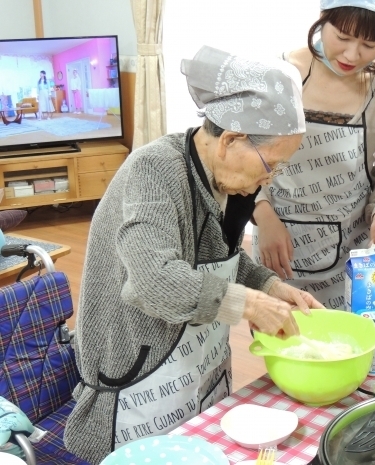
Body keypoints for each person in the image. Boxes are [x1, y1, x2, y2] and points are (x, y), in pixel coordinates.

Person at [64, 45, 322, 464]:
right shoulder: (154, 172)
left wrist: (269, 285)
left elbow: (223, 261)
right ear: (233, 140)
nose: (269, 178)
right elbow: (155, 282)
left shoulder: (233, 182)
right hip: (138, 379)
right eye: (270, 164)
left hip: (199, 372)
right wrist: (250, 303)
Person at [252, 0, 375, 309]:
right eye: (343, 37)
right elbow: (240, 156)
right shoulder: (277, 76)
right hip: (276, 239)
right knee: (284, 342)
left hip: (352, 250)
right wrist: (262, 214)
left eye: (369, 45)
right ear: (323, 18)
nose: (352, 55)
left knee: (344, 344)